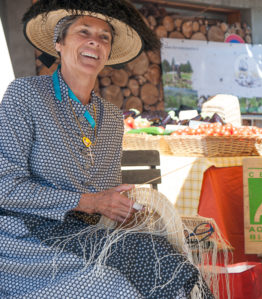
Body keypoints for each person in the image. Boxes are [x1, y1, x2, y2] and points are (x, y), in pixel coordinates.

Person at [0, 0, 212, 298]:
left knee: (165, 258)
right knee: (115, 286)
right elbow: (5, 187)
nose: (93, 42)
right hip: (25, 241)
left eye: (104, 37)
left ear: (108, 52)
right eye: (82, 32)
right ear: (58, 43)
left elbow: (105, 195)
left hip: (84, 235)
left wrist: (129, 213)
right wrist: (90, 202)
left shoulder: (111, 117)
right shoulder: (25, 95)